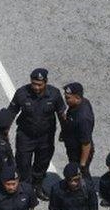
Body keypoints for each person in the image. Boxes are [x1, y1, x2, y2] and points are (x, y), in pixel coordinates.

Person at [6, 68, 67, 198]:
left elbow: (61, 114)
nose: (36, 87)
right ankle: (25, 191)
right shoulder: (22, 93)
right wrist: (5, 132)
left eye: (39, 84)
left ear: (45, 82)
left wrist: (65, 131)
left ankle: (37, 186)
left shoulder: (54, 94)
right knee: (23, 164)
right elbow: (11, 113)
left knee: (42, 162)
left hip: (46, 137)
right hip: (25, 136)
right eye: (34, 83)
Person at [59, 82, 94, 184]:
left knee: (81, 174)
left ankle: (87, 192)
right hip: (73, 146)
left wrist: (82, 164)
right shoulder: (78, 104)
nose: (66, 100)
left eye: (68, 98)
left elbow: (86, 143)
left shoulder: (83, 118)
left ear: (77, 97)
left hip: (79, 152)